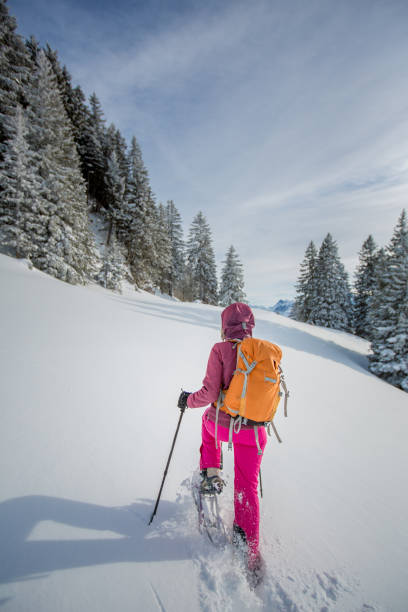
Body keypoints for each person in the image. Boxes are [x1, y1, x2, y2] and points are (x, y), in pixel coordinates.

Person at [178, 302, 267, 576]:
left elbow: (208, 394)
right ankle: (249, 549)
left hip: (227, 427)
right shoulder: (263, 352)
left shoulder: (220, 349)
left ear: (225, 325)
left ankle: (211, 475)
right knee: (247, 486)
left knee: (207, 424)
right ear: (249, 325)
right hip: (256, 432)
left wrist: (187, 400)